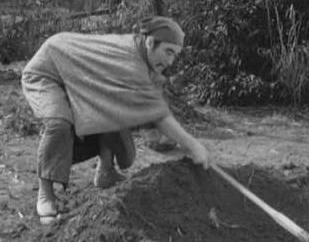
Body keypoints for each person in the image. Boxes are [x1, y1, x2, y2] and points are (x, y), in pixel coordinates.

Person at [21, 16, 211, 223]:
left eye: (175, 54)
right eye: (168, 51)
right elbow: (160, 116)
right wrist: (193, 145)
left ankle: (106, 171)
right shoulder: (130, 61)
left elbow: (144, 111)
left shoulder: (145, 64)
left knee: (125, 148)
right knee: (59, 124)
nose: (170, 61)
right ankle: (45, 194)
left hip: (81, 78)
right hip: (49, 69)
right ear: (150, 42)